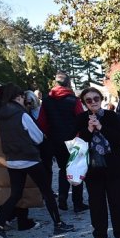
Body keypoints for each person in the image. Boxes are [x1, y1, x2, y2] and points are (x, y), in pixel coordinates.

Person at [0, 83, 73, 238]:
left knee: (15, 195)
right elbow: (38, 137)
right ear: (18, 97)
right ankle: (58, 223)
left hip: (12, 160)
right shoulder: (21, 114)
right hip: (29, 158)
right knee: (47, 191)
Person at [75, 87, 120, 238]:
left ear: (101, 100)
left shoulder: (112, 116)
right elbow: (75, 142)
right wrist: (89, 130)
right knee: (96, 202)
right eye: (89, 100)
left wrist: (101, 127)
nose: (93, 102)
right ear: (84, 103)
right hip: (92, 167)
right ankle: (99, 234)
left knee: (118, 200)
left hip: (113, 165)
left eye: (96, 99)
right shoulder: (80, 119)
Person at [37, 72, 87, 213]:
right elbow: (80, 119)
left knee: (63, 169)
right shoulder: (73, 100)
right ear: (68, 83)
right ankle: (77, 203)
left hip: (55, 140)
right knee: (76, 170)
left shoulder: (46, 100)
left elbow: (42, 122)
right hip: (73, 139)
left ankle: (63, 200)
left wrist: (49, 135)